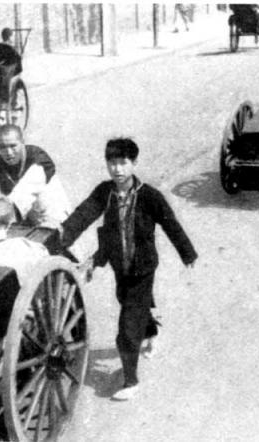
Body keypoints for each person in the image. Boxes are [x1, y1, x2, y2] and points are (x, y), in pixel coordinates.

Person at [60, 138, 198, 401]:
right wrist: (62, 237)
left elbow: (171, 224)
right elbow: (83, 214)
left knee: (127, 326)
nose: (117, 169)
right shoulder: (105, 192)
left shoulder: (149, 196)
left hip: (143, 268)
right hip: (119, 266)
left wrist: (187, 253)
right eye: (112, 163)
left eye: (123, 163)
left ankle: (131, 381)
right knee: (128, 303)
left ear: (134, 163)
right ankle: (152, 332)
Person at [0, 124, 71, 229]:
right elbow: (7, 195)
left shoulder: (38, 157)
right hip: (28, 216)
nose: (8, 152)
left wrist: (4, 204)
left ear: (22, 142)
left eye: (13, 146)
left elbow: (26, 190)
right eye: (2, 147)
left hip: (54, 214)